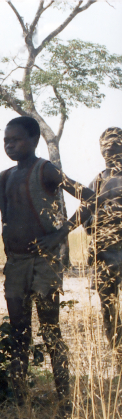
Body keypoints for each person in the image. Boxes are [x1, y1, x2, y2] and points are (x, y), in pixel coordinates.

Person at [0, 116, 94, 405]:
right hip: (16, 263)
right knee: (18, 332)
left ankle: (64, 397)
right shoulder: (5, 177)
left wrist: (61, 234)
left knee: (50, 330)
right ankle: (19, 400)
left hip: (44, 262)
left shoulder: (45, 170)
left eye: (16, 139)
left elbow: (90, 199)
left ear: (34, 140)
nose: (10, 144)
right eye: (6, 140)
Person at [86, 128, 122, 355]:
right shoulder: (96, 182)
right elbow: (86, 221)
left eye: (115, 147)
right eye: (105, 148)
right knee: (109, 311)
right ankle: (119, 357)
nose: (109, 152)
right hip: (104, 258)